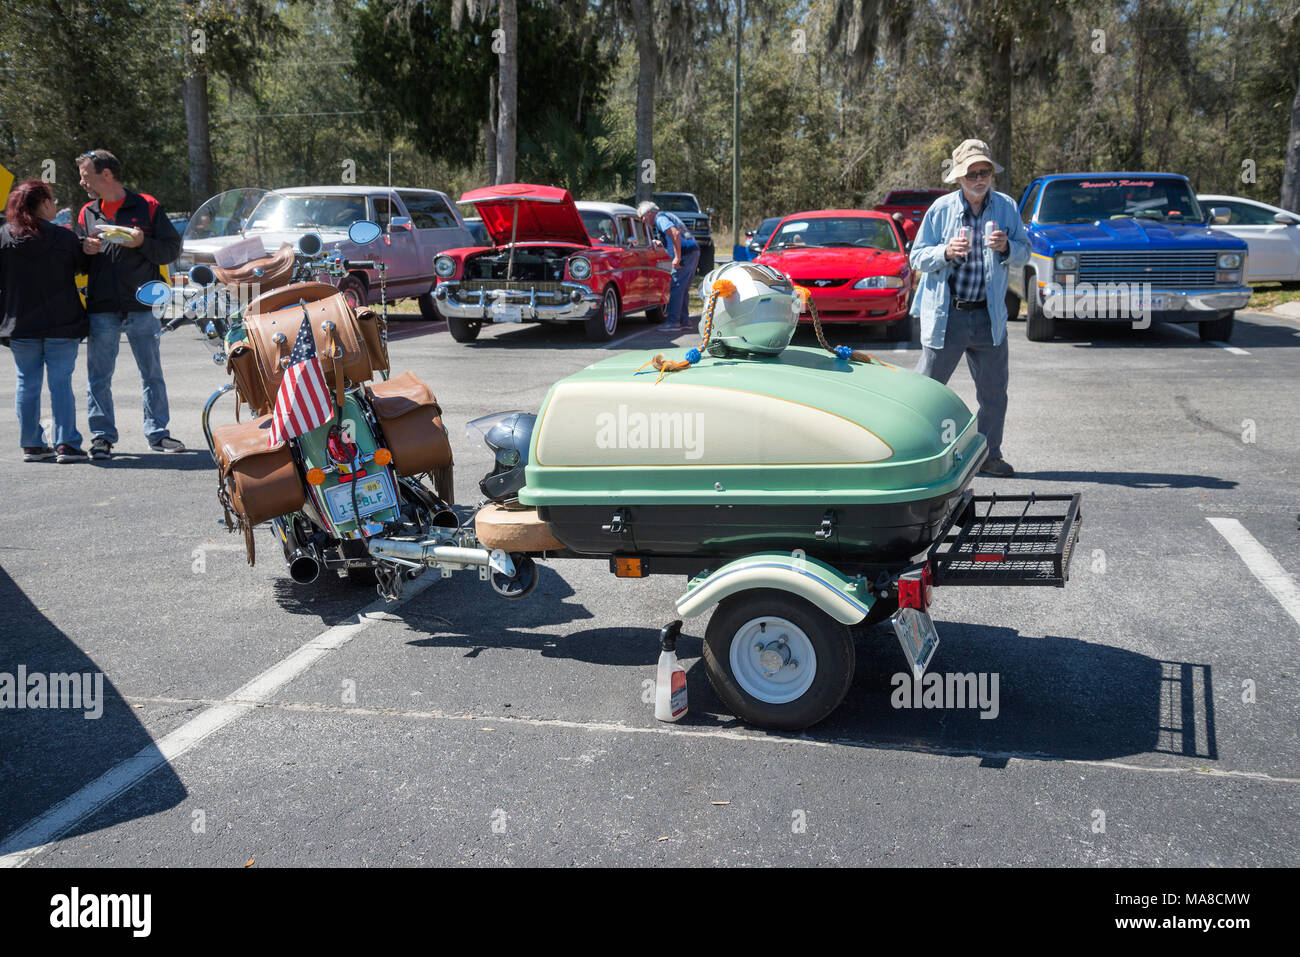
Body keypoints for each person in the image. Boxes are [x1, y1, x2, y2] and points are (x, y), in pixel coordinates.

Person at [909, 139, 1030, 477]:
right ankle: (919, 456)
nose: (979, 179)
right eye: (972, 174)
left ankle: (989, 456)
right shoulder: (941, 209)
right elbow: (916, 257)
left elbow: (1025, 251)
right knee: (926, 392)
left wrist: (1007, 247)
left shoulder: (1006, 207)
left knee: (994, 394)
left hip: (988, 317)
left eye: (985, 172)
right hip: (948, 316)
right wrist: (945, 251)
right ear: (960, 178)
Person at [74, 149, 184, 459]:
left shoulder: (147, 206)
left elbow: (170, 250)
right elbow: (79, 263)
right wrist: (85, 249)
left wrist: (141, 243)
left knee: (151, 373)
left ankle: (158, 434)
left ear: (105, 175)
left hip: (142, 304)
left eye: (86, 175)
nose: (82, 182)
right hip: (102, 305)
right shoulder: (87, 212)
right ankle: (102, 437)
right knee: (99, 376)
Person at [0, 181, 91, 462]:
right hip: (62, 322)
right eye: (50, 200)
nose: (54, 205)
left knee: (26, 383)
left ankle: (31, 444)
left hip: (19, 323)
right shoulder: (64, 238)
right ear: (42, 204)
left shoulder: (3, 237)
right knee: (60, 383)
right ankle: (66, 444)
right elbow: (82, 267)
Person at [638, 200, 700, 331]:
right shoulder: (668, 215)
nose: (643, 220)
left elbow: (675, 233)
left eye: (643, 216)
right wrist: (662, 243)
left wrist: (677, 257)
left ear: (650, 213)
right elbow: (674, 235)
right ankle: (684, 321)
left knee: (676, 287)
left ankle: (673, 322)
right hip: (693, 250)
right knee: (683, 288)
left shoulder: (660, 218)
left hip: (685, 253)